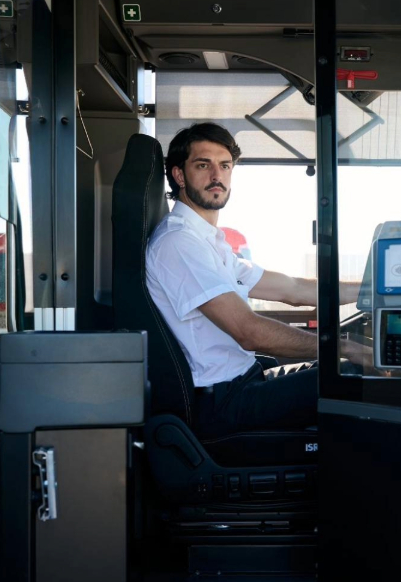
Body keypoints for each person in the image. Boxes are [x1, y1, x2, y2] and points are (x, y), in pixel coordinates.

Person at [145, 122, 367, 440]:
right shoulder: (179, 242)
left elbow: (292, 289)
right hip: (223, 402)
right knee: (358, 379)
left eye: (225, 166)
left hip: (243, 383)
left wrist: (375, 291)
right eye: (203, 165)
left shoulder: (208, 241)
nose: (216, 176)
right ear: (179, 175)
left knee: (354, 375)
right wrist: (344, 347)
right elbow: (249, 332)